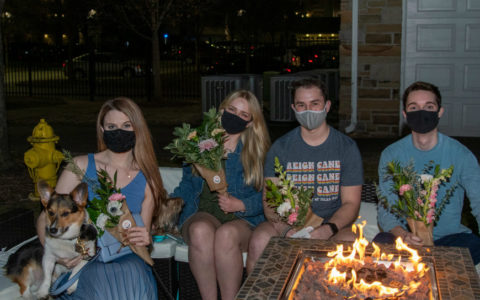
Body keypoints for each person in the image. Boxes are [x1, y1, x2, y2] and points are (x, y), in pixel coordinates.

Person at [36, 97, 168, 299]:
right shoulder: (79, 166)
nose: (119, 132)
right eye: (112, 126)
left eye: (126, 126)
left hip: (126, 258)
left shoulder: (148, 178)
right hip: (83, 260)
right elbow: (45, 218)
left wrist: (145, 237)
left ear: (137, 129)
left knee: (131, 276)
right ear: (102, 129)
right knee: (102, 281)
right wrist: (58, 256)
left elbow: (143, 235)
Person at [247, 78, 364, 274]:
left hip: (331, 225)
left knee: (351, 243)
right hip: (288, 224)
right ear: (294, 108)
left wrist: (327, 229)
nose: (308, 110)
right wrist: (286, 230)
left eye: (314, 104)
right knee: (259, 240)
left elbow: (351, 204)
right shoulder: (280, 148)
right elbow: (269, 201)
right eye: (301, 105)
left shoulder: (346, 148)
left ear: (327, 106)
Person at [172, 90, 270, 300]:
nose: (235, 116)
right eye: (231, 110)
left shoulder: (258, 152)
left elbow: (268, 196)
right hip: (204, 212)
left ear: (251, 122)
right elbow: (187, 186)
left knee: (226, 234)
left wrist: (242, 205)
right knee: (200, 230)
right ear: (222, 110)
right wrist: (168, 208)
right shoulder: (197, 144)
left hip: (242, 219)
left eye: (243, 114)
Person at [374, 81, 480, 264]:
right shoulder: (391, 154)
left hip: (450, 238)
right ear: (405, 114)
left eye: (429, 107)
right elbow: (386, 208)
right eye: (414, 107)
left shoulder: (461, 154)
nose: (421, 112)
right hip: (405, 237)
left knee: (474, 245)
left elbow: (478, 200)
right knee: (380, 244)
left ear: (440, 112)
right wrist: (403, 235)